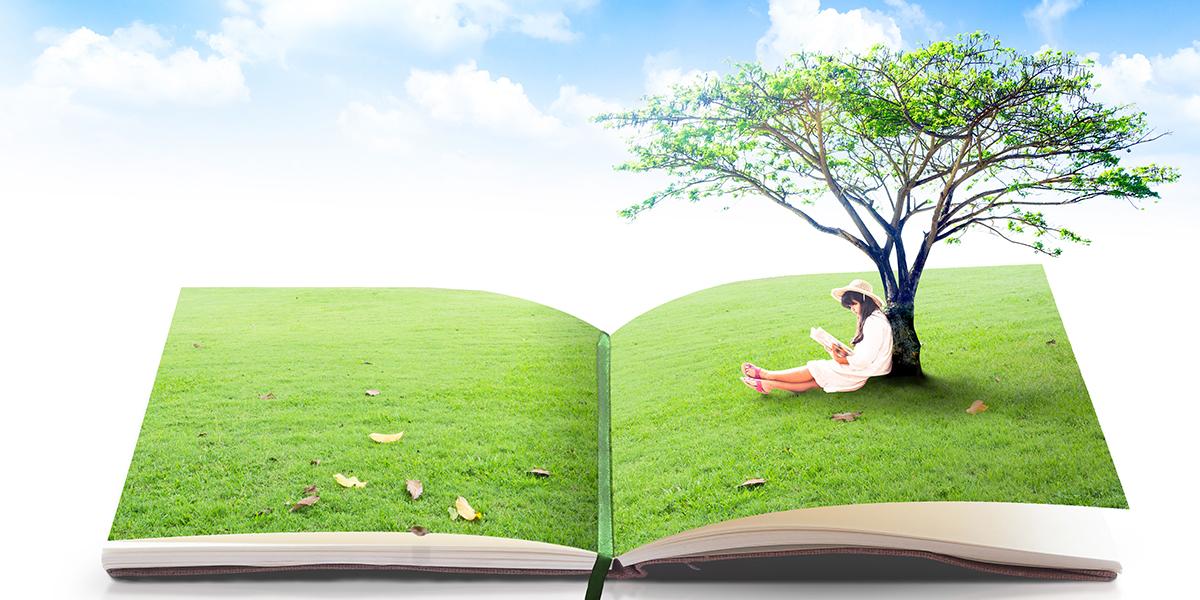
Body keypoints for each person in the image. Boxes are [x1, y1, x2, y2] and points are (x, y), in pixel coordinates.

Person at [741, 279, 893, 394]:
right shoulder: (873, 318)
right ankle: (768, 384)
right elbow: (865, 354)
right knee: (817, 380)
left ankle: (766, 375)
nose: (852, 309)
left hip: (865, 370)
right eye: (849, 307)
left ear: (864, 301)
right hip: (868, 368)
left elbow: (863, 360)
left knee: (816, 368)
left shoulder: (873, 323)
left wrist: (840, 358)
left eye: (853, 305)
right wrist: (844, 353)